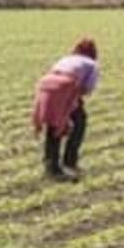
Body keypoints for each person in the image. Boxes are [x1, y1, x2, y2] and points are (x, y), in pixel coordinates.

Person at [32, 38, 100, 181]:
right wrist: (72, 102)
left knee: (53, 124)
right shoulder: (92, 64)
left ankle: (51, 167)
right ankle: (69, 163)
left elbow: (54, 73)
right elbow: (87, 89)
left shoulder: (67, 58)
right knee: (79, 123)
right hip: (65, 87)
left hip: (45, 84)